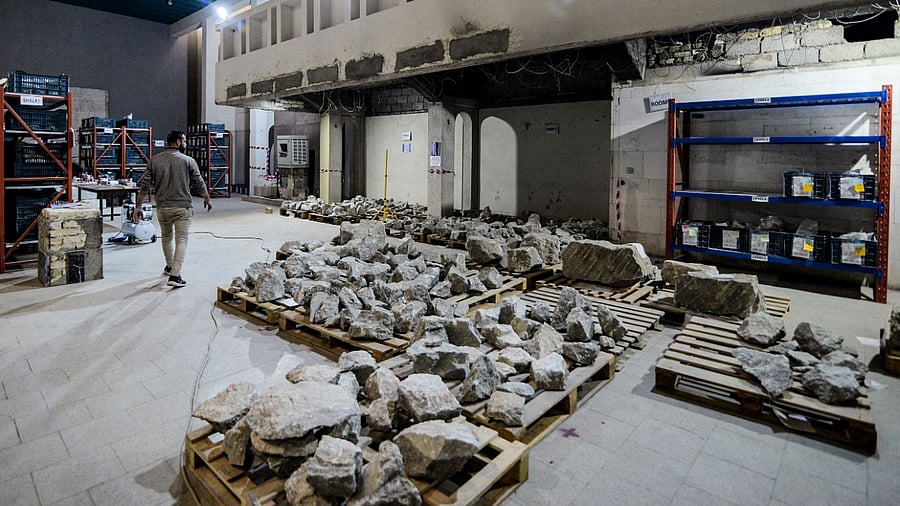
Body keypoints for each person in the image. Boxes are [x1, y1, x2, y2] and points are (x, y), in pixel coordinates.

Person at [134, 130, 211, 288]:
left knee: (167, 237)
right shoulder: (188, 160)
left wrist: (138, 206)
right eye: (184, 140)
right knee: (181, 239)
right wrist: (206, 197)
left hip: (162, 207)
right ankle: (175, 275)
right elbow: (198, 181)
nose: (185, 143)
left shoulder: (154, 161)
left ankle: (170, 266)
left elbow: (144, 185)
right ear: (177, 142)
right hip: (182, 207)